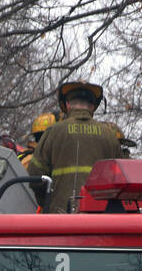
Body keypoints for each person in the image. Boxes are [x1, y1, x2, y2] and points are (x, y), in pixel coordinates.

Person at [27, 81, 128, 212]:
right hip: (100, 220)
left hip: (60, 216)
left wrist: (47, 202)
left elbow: (35, 175)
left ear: (68, 105)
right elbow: (121, 180)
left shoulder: (53, 132)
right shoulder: (109, 135)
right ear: (92, 106)